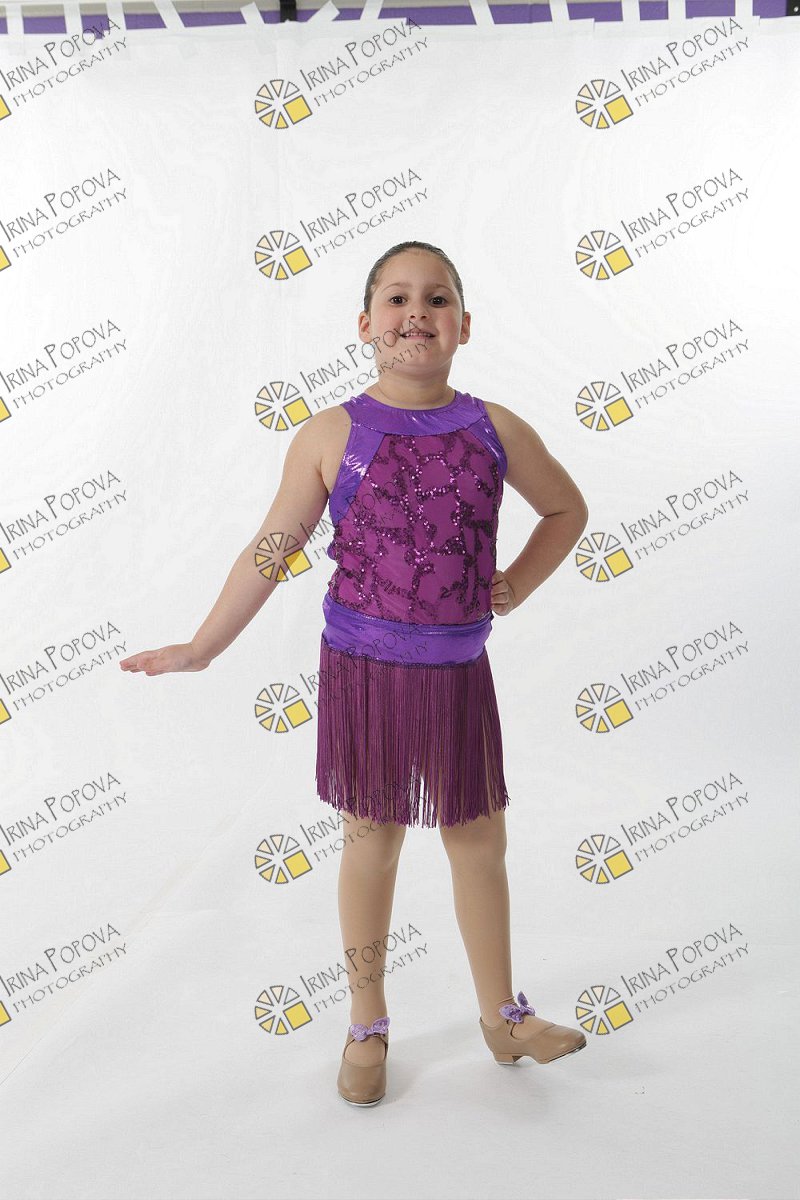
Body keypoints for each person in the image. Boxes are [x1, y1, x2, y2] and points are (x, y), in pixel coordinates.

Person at [120, 239, 591, 1107]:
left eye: (438, 298)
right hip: (365, 672)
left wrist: (516, 583)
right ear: (366, 323)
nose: (418, 313)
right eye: (398, 298)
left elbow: (566, 508)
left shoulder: (496, 429)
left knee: (479, 839)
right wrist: (203, 645)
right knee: (372, 837)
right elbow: (273, 548)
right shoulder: (331, 433)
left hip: (457, 671)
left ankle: (502, 1015)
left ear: (464, 326)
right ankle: (367, 1023)